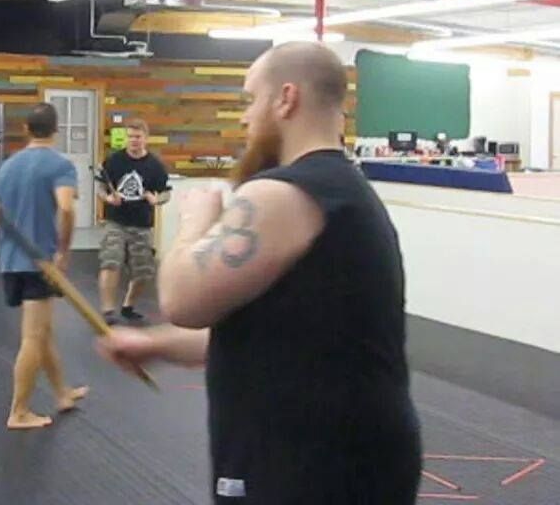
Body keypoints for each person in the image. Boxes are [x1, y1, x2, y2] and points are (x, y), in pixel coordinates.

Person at [97, 43, 421, 504]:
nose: (245, 118)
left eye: (251, 99)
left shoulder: (284, 194)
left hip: (311, 468)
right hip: (347, 460)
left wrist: (196, 219)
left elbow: (180, 299)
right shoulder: (344, 190)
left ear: (285, 98)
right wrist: (158, 344)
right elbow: (282, 333)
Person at [0, 103, 89, 430]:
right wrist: (63, 251)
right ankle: (19, 411)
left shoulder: (7, 167)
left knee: (42, 333)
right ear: (55, 130)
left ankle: (61, 393)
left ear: (27, 130)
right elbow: (67, 209)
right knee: (33, 336)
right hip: (39, 263)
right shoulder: (60, 165)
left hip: (11, 261)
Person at [96, 118, 171, 324]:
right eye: (130, 137)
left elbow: (166, 193)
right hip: (116, 221)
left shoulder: (155, 166)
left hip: (142, 223)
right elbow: (101, 188)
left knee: (144, 272)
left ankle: (128, 305)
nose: (133, 141)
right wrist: (108, 198)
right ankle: (108, 311)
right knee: (111, 261)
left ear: (146, 138)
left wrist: (157, 199)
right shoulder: (114, 161)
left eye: (137, 137)